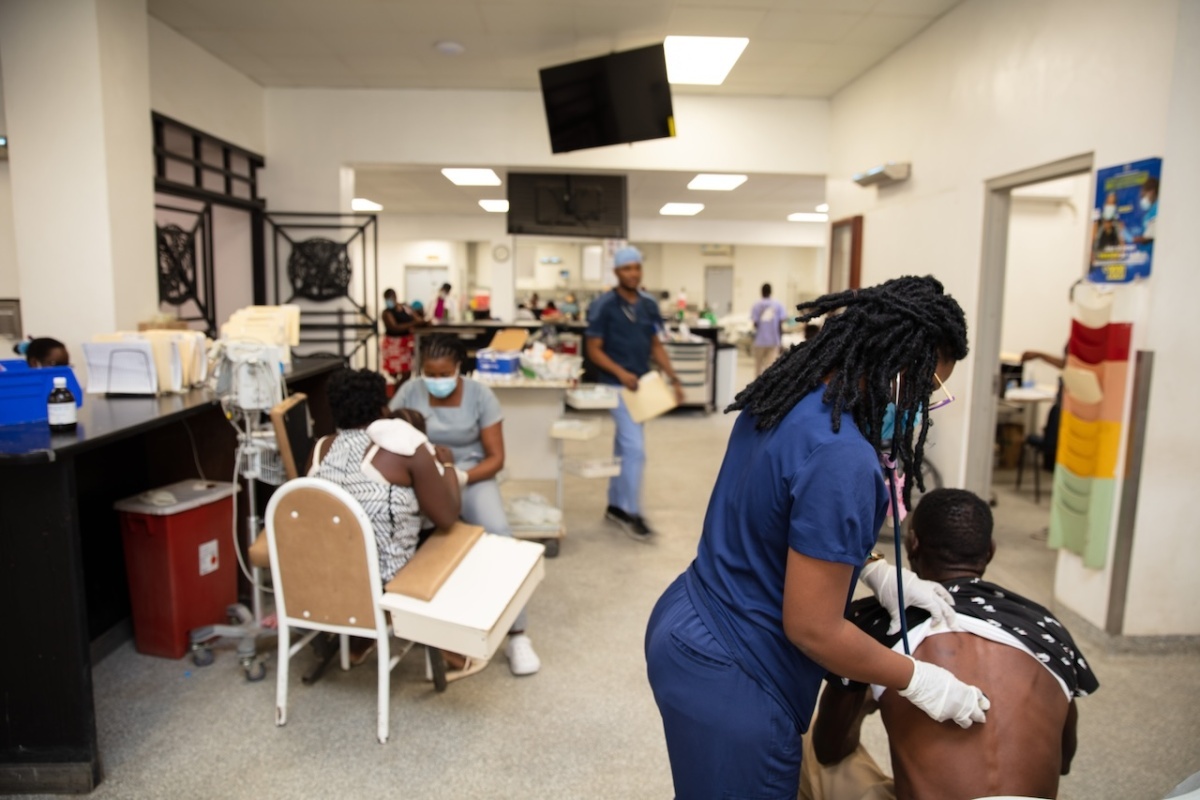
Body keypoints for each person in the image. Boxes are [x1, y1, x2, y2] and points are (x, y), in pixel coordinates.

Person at [644, 276, 988, 799]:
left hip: (690, 618)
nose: (924, 408)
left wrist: (872, 568)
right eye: (927, 389)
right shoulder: (842, 456)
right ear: (898, 368)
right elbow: (813, 629)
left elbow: (777, 516)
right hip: (737, 669)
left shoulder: (791, 392)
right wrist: (919, 679)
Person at [803, 488, 1097, 800]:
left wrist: (869, 699)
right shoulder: (1046, 628)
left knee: (808, 746)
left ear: (912, 544)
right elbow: (1064, 761)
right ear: (991, 551)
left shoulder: (880, 624)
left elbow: (829, 749)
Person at [308, 369, 480, 676]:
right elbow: (446, 516)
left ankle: (359, 641)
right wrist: (449, 465)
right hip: (384, 581)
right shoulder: (404, 449)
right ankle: (448, 648)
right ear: (383, 409)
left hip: (328, 576)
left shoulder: (320, 450)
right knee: (458, 531)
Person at [388, 334, 541, 676]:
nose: (436, 381)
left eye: (444, 374)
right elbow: (392, 436)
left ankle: (517, 635)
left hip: (471, 474)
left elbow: (496, 458)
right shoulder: (411, 391)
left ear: (459, 369)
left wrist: (460, 478)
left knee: (499, 533)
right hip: (422, 475)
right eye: (430, 373)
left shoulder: (480, 396)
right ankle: (418, 627)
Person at [585, 245, 685, 540]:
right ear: (616, 272)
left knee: (624, 446)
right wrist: (620, 372)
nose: (633, 273)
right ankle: (631, 512)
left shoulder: (649, 305)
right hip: (616, 385)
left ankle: (616, 505)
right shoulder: (604, 306)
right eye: (626, 268)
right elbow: (593, 349)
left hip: (641, 387)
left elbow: (655, 344)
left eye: (637, 267)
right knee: (635, 450)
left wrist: (674, 378)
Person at [380, 289, 421, 383]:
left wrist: (419, 322)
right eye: (387, 299)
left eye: (390, 298)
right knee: (394, 372)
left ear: (395, 297)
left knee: (407, 371)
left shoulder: (405, 307)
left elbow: (417, 318)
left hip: (406, 343)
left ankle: (399, 391)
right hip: (392, 344)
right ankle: (398, 390)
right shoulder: (386, 313)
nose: (389, 301)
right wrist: (413, 324)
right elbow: (394, 327)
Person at [750, 282, 788, 377]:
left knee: (758, 367)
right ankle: (768, 389)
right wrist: (780, 341)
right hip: (773, 340)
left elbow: (755, 324)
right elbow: (780, 325)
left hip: (760, 341)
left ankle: (757, 388)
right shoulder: (778, 305)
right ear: (771, 292)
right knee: (770, 367)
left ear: (761, 292)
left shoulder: (756, 305)